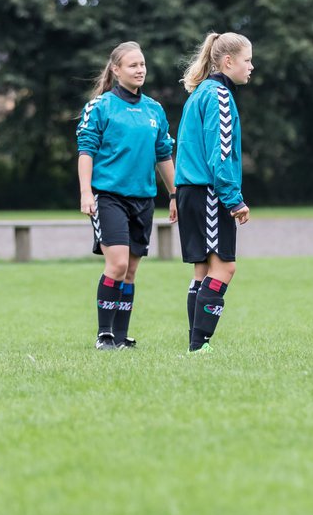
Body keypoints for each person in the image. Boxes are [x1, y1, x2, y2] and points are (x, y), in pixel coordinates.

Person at [76, 41, 177, 350]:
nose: (140, 69)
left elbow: (163, 155)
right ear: (116, 70)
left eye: (143, 64)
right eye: (133, 65)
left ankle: (121, 337)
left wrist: (175, 195)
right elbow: (86, 151)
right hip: (109, 197)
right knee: (117, 264)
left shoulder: (154, 109)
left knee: (131, 271)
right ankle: (103, 334)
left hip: (143, 200)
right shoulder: (101, 106)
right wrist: (86, 193)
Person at [173, 32, 254, 352]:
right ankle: (199, 344)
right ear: (228, 61)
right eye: (247, 60)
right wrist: (233, 200)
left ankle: (196, 344)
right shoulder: (219, 95)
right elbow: (220, 154)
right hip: (209, 192)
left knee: (204, 269)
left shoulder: (200, 92)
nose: (252, 67)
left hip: (191, 191)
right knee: (225, 267)